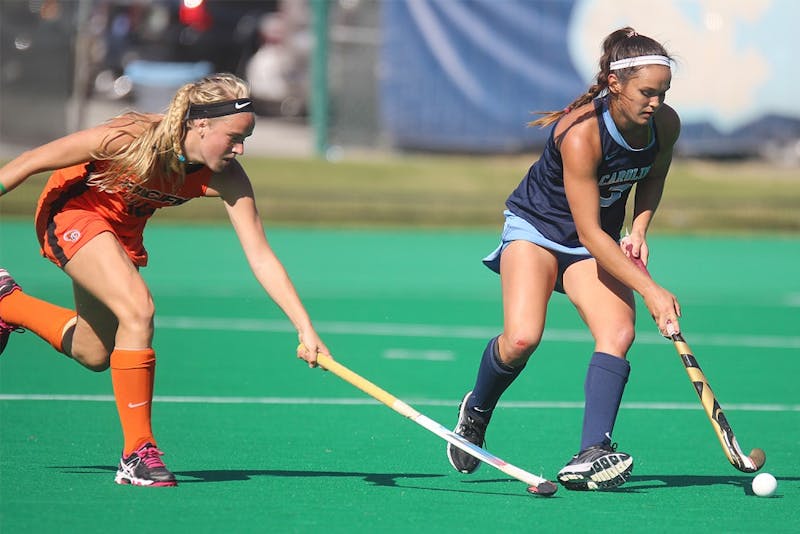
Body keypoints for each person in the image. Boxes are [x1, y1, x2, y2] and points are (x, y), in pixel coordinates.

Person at [0, 73, 329, 487]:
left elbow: (260, 255)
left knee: (93, 352)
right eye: (234, 137)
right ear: (200, 124)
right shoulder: (129, 137)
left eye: (246, 138)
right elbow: (31, 160)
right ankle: (137, 452)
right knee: (138, 310)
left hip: (120, 236)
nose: (240, 148)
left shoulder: (227, 176)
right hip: (70, 213)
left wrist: (304, 325)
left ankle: (6, 302)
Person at [446, 27, 682, 491]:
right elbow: (592, 234)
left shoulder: (666, 124)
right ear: (616, 84)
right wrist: (650, 289)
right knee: (521, 338)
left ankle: (592, 451)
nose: (655, 103)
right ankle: (476, 412)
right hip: (539, 230)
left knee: (618, 332)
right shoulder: (580, 134)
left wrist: (638, 228)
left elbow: (653, 174)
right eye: (647, 92)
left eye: (663, 92)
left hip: (596, 239)